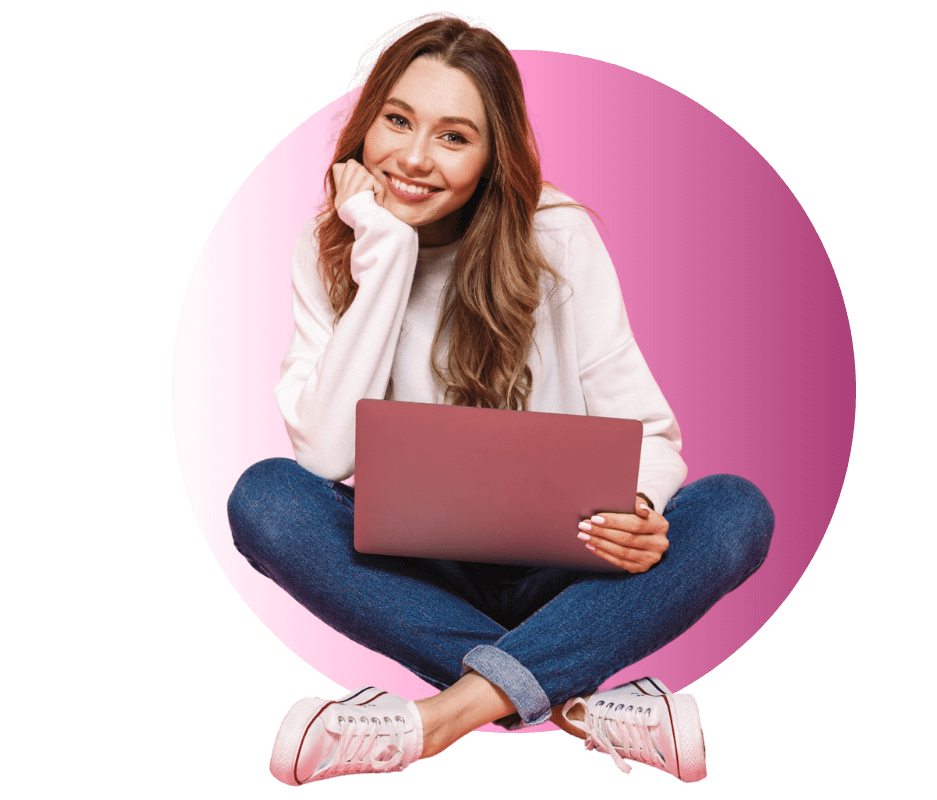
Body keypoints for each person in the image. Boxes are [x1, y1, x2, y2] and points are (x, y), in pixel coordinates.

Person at [227, 13, 774, 784]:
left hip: (570, 564)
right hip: (422, 573)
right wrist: (384, 256)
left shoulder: (556, 233)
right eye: (397, 120)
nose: (413, 158)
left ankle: (437, 721)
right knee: (266, 499)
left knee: (735, 510)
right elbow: (323, 453)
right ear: (366, 121)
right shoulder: (328, 250)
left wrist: (643, 514)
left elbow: (652, 433)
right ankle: (578, 701)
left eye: (454, 137)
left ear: (491, 156)